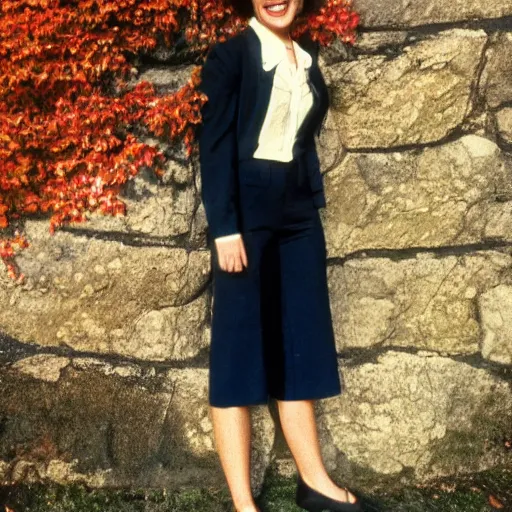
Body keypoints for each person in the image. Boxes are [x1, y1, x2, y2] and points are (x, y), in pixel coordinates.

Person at [197, 0, 362, 510]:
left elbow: (301, 138)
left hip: (297, 214)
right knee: (238, 348)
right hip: (245, 214)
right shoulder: (230, 57)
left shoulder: (307, 56)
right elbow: (215, 144)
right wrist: (224, 227)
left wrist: (307, 200)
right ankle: (244, 504)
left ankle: (314, 483)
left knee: (302, 340)